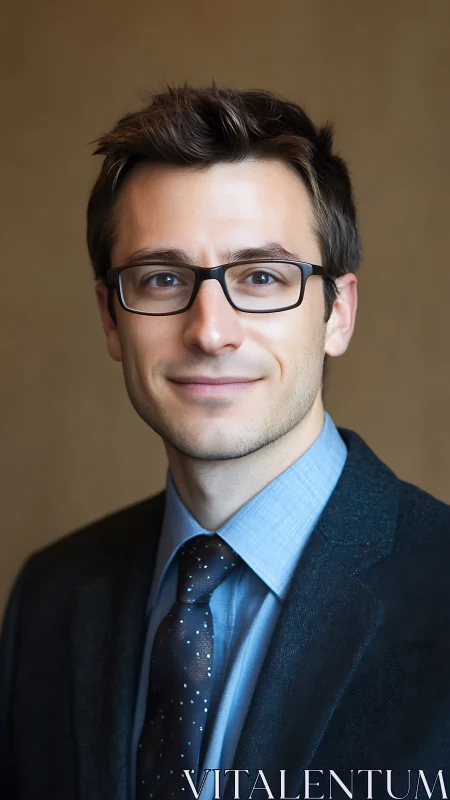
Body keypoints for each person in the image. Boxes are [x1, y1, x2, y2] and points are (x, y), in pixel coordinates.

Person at [1, 82, 450, 800]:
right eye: (161, 278)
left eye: (262, 276)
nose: (210, 331)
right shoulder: (49, 602)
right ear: (112, 322)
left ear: (338, 313)